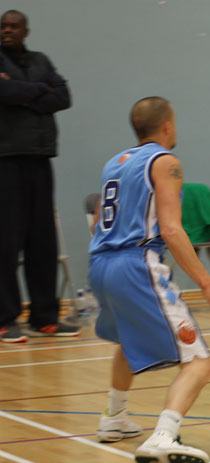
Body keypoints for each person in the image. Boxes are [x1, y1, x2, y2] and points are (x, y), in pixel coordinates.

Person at [90, 97, 210, 463]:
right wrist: (208, 284)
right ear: (168, 126)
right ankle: (165, 434)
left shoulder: (115, 163)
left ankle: (114, 416)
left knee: (127, 338)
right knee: (199, 362)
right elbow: (171, 229)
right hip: (136, 263)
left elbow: (97, 224)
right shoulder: (165, 162)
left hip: (100, 262)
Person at [0, 10, 79, 343]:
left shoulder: (41, 59)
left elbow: (63, 97)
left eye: (13, 26)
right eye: (2, 26)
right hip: (5, 159)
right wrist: (39, 92)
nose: (7, 31)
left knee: (42, 241)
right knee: (6, 242)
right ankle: (5, 319)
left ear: (26, 31)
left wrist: (21, 91)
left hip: (40, 158)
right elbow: (3, 95)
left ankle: (44, 317)